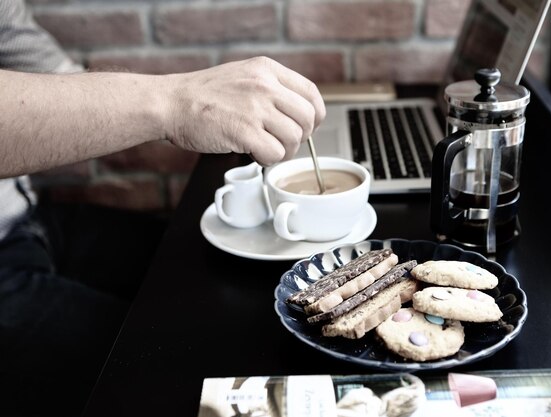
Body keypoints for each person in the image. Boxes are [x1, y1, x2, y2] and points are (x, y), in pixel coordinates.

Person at [0, 1, 326, 416]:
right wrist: (176, 101)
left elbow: (49, 75)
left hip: (27, 219)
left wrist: (202, 100)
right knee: (177, 365)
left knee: (230, 296)